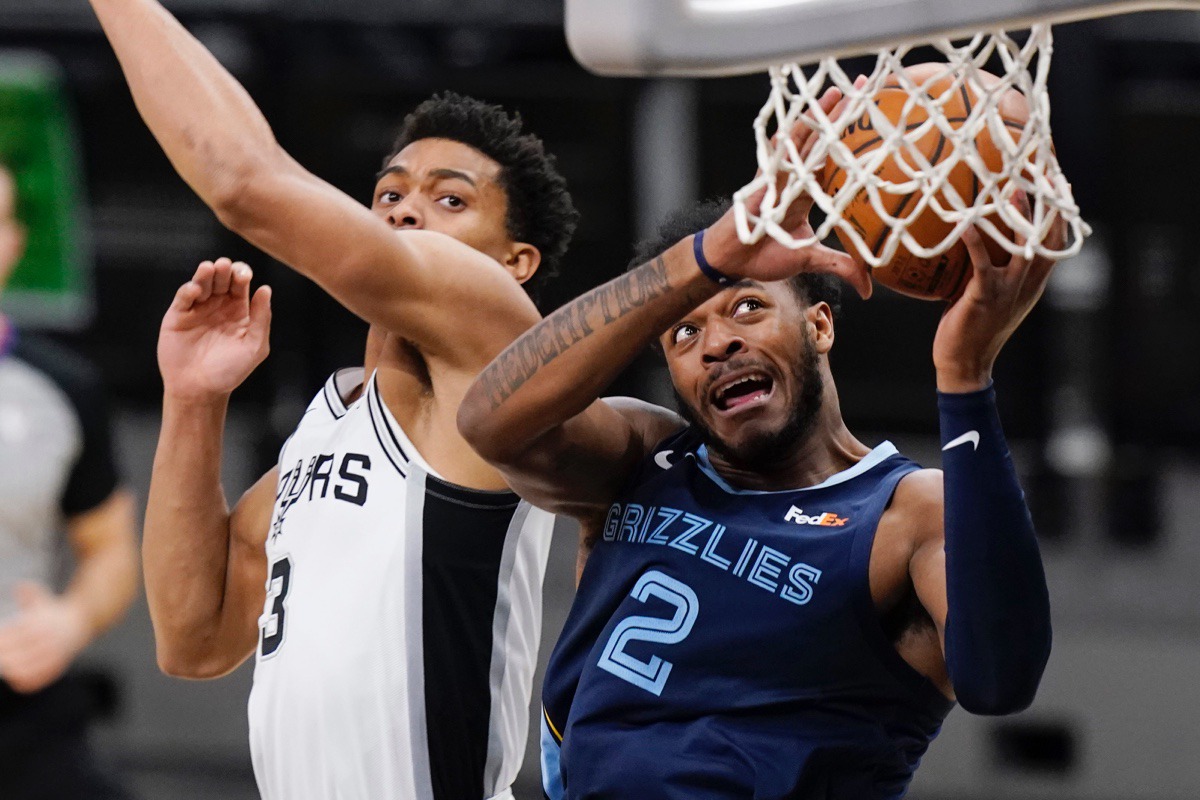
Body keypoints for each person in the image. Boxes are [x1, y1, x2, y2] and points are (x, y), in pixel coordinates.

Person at [457, 87, 1058, 798]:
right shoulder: (643, 459)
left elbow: (1001, 679)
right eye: (685, 332)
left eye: (748, 305)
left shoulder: (906, 515)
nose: (717, 343)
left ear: (820, 327)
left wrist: (966, 377)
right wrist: (706, 258)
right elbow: (489, 420)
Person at [86, 1, 577, 798]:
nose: (405, 208)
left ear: (515, 261)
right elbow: (193, 636)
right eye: (388, 194)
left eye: (451, 200)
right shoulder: (331, 422)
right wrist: (194, 399)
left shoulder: (498, 344)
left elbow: (245, 183)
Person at [0, 164, 139, 798]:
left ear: (14, 242)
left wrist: (70, 620)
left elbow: (110, 548)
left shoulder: (62, 388)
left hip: (20, 711)